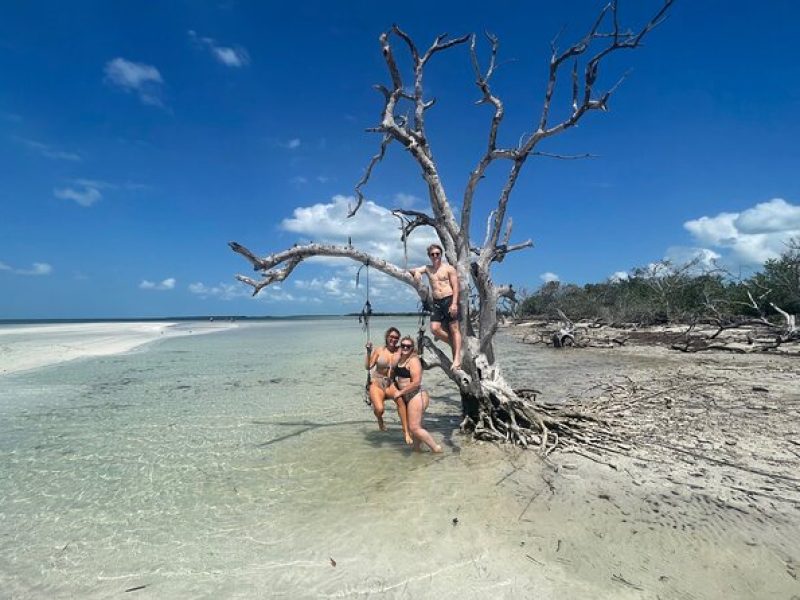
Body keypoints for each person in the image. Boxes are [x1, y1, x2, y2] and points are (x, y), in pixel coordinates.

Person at [410, 243, 463, 370]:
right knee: (434, 329)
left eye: (437, 254)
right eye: (432, 254)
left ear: (441, 254)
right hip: (437, 302)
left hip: (449, 299)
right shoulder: (428, 269)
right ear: (429, 256)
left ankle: (457, 359)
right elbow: (411, 270)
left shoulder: (449, 268)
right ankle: (455, 344)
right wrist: (417, 272)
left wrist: (455, 303)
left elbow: (456, 287)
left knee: (454, 329)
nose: (435, 256)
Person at [386, 336, 443, 453]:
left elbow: (416, 383)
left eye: (408, 346)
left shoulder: (414, 360)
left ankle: (436, 449)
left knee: (414, 427)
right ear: (400, 347)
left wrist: (400, 392)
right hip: (407, 396)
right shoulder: (400, 359)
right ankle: (418, 453)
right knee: (415, 428)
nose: (405, 348)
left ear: (412, 348)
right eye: (403, 346)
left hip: (417, 395)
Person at [365, 327, 411, 443]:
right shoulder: (379, 350)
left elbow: (413, 353)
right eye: (391, 337)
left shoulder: (400, 351)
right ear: (387, 337)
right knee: (380, 409)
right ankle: (380, 419)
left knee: (400, 400)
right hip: (377, 382)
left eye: (396, 338)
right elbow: (368, 366)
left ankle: (406, 432)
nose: (393, 339)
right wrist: (368, 352)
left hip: (390, 383)